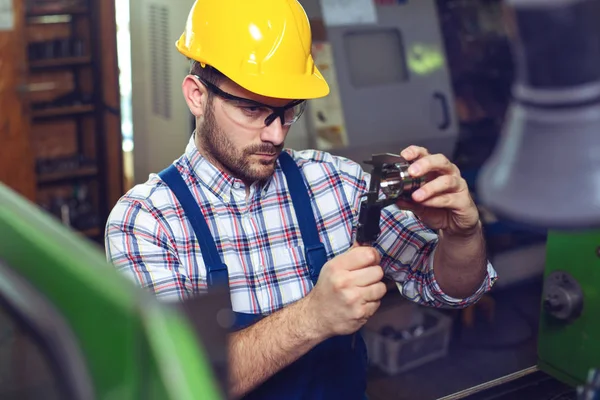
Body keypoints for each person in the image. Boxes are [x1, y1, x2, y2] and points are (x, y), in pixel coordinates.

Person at [105, 1, 498, 399]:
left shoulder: (333, 182)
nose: (276, 135)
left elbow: (450, 287)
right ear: (196, 96)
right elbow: (172, 384)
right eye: (253, 109)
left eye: (288, 111)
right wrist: (313, 317)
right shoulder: (146, 222)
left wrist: (462, 237)